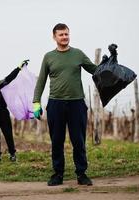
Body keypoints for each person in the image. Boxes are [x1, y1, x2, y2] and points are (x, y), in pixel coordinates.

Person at [33, 23, 97, 186]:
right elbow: (41, 80)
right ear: (54, 37)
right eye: (61, 35)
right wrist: (36, 102)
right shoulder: (49, 57)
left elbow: (95, 70)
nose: (65, 37)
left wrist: (109, 62)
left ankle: (81, 174)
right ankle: (57, 174)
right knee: (57, 141)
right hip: (56, 104)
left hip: (77, 103)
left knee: (78, 140)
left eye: (67, 34)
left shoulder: (78, 54)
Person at [0, 60, 29, 162]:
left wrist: (19, 68)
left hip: (3, 112)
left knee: (8, 134)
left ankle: (12, 153)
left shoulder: (1, 83)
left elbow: (10, 77)